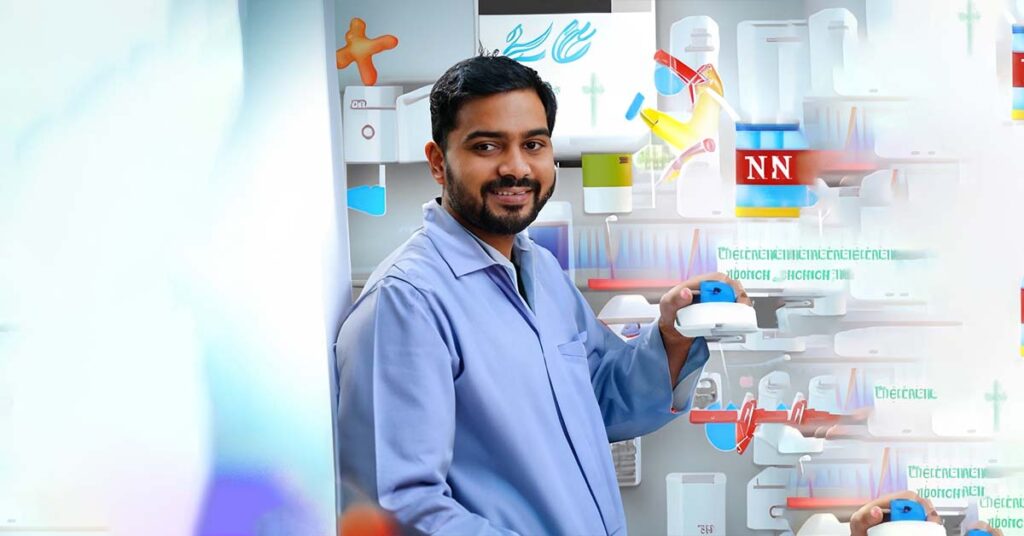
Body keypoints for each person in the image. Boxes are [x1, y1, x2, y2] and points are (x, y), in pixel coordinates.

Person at [335, 55, 748, 535]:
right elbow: (400, 509)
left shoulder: (541, 270)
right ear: (437, 161)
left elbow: (601, 398)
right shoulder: (407, 303)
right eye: (486, 146)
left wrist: (672, 334)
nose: (516, 167)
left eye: (533, 144)